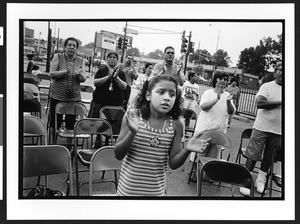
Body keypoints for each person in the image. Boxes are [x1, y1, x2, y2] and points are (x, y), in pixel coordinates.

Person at [114, 74, 210, 196]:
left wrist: (186, 149)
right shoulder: (134, 116)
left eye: (172, 94)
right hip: (127, 191)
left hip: (156, 193)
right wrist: (132, 132)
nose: (167, 98)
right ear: (148, 95)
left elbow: (173, 164)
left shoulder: (176, 125)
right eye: (161, 92)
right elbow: (118, 154)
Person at [239, 63, 282, 196]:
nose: (283, 73)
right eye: (281, 69)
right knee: (253, 154)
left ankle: (261, 179)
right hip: (261, 127)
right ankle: (245, 179)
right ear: (275, 72)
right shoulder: (267, 86)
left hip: (279, 130)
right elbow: (260, 103)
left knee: (270, 157)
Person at [189, 72, 235, 182]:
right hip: (204, 129)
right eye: (221, 78)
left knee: (213, 155)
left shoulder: (228, 96)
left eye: (225, 79)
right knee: (200, 152)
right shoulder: (208, 93)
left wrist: (228, 102)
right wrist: (217, 99)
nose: (223, 81)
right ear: (215, 80)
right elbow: (204, 107)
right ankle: (194, 173)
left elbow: (231, 111)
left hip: (219, 131)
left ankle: (207, 175)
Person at [88, 51, 127, 148]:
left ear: (117, 60)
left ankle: (110, 145)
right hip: (100, 103)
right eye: (110, 57)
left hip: (115, 105)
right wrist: (108, 77)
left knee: (113, 127)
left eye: (114, 57)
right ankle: (97, 142)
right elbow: (96, 82)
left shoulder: (121, 73)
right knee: (98, 125)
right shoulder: (102, 70)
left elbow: (124, 86)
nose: (112, 59)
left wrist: (116, 78)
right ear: (107, 59)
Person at [49, 37, 86, 133]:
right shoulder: (58, 56)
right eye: (69, 45)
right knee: (55, 122)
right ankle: (53, 143)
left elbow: (83, 79)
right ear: (65, 47)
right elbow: (52, 74)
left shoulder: (81, 60)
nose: (72, 47)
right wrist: (65, 71)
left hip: (73, 97)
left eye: (74, 46)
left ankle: (70, 146)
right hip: (57, 95)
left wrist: (79, 74)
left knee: (71, 123)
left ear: (77, 49)